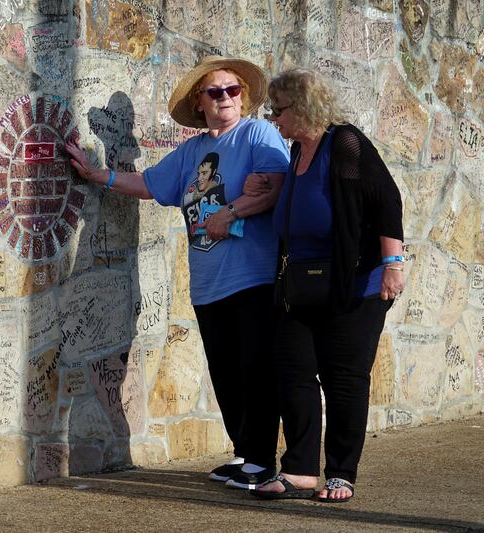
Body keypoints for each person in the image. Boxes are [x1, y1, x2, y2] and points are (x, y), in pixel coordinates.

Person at [66, 56, 290, 489]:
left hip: (253, 277)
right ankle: (245, 454)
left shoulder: (256, 134)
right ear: (199, 102)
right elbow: (150, 185)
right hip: (209, 284)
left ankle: (262, 461)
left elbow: (274, 187)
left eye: (233, 90)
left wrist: (230, 212)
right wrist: (97, 175)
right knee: (226, 372)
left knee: (255, 369)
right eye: (216, 92)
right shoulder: (191, 152)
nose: (226, 98)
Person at [246, 67, 405, 502]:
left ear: (303, 106)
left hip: (353, 283)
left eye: (279, 111)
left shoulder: (346, 143)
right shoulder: (297, 151)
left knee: (344, 377)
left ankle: (341, 471)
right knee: (293, 369)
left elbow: (386, 199)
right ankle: (298, 469)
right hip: (299, 282)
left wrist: (394, 262)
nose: (274, 120)